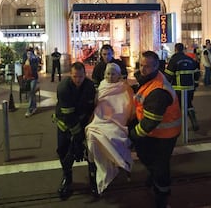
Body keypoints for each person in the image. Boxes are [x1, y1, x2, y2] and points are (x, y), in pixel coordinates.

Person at [128, 51, 181, 208]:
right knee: (147, 158)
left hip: (164, 135)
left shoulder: (158, 91)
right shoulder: (150, 80)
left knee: (160, 166)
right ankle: (153, 177)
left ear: (157, 66)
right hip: (155, 132)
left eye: (148, 66)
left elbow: (150, 121)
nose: (143, 69)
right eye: (141, 65)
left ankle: (162, 197)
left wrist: (132, 136)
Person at [85, 63, 134, 196]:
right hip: (100, 120)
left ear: (118, 75)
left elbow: (126, 106)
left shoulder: (124, 88)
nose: (110, 76)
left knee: (114, 136)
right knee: (92, 136)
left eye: (113, 74)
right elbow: (98, 104)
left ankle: (115, 166)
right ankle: (102, 169)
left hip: (117, 121)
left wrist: (119, 115)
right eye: (108, 74)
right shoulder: (101, 85)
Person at [52, 62, 96, 200]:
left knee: (91, 152)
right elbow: (68, 115)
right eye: (75, 76)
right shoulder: (63, 87)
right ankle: (67, 178)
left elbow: (90, 108)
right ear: (70, 75)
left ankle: (93, 179)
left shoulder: (89, 86)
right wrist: (78, 136)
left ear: (85, 75)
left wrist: (85, 130)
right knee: (64, 151)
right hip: (65, 123)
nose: (78, 80)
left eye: (81, 76)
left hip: (83, 122)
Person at [164, 43, 200, 131]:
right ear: (183, 49)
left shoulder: (173, 60)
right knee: (188, 104)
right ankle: (193, 120)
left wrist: (166, 87)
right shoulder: (190, 60)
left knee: (177, 106)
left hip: (178, 89)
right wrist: (195, 85)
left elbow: (168, 76)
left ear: (175, 50)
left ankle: (178, 126)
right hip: (190, 88)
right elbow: (197, 74)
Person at [23, 50, 39, 117]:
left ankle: (30, 109)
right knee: (32, 93)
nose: (28, 55)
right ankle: (34, 107)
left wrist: (30, 63)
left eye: (30, 53)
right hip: (28, 79)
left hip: (33, 78)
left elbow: (34, 69)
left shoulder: (34, 60)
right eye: (27, 54)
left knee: (31, 93)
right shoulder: (26, 60)